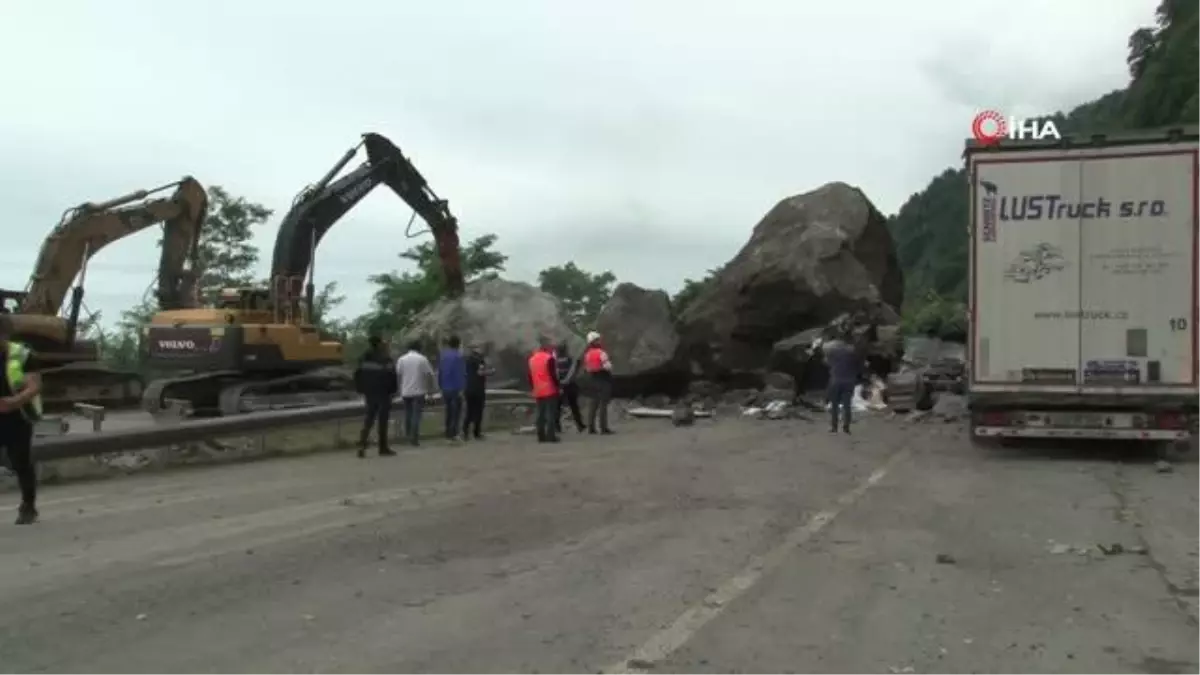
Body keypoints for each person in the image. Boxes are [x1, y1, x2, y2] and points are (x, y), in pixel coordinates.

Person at [0, 314, 43, 524]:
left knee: (20, 462)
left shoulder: (22, 355)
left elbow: (35, 385)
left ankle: (28, 505)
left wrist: (15, 401)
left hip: (18, 416)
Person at [353, 335, 397, 458]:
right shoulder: (385, 358)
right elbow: (392, 376)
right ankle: (383, 447)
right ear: (378, 344)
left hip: (370, 393)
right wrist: (393, 391)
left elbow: (357, 376)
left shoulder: (363, 358)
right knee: (382, 421)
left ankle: (362, 444)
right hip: (383, 393)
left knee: (369, 419)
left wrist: (362, 389)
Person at [395, 339, 436, 446]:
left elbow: (398, 376)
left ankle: (408, 435)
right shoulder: (422, 359)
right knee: (416, 415)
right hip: (419, 391)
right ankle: (414, 437)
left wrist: (399, 390)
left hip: (406, 391)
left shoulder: (401, 359)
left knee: (408, 414)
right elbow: (429, 375)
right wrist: (430, 392)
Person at [823, 328, 863, 434]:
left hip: (836, 380)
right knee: (847, 405)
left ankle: (834, 427)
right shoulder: (853, 351)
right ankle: (846, 427)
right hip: (849, 381)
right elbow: (858, 367)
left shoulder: (832, 351)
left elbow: (827, 363)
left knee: (835, 405)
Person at [527, 336, 560, 443]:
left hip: (538, 390)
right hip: (549, 389)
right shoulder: (549, 358)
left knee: (540, 414)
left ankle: (540, 436)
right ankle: (551, 436)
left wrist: (533, 388)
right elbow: (553, 375)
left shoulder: (531, 359)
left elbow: (530, 376)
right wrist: (558, 386)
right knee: (551, 413)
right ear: (546, 347)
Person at [582, 331, 614, 434]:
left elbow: (587, 368)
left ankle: (591, 427)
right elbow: (608, 367)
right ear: (595, 341)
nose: (600, 341)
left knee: (593, 404)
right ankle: (603, 428)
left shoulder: (587, 354)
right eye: (598, 339)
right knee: (603, 404)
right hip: (603, 378)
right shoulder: (601, 353)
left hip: (592, 379)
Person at [463, 342, 494, 440]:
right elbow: (480, 372)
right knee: (478, 411)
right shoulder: (479, 359)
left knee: (469, 411)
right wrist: (491, 372)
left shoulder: (467, 359)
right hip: (478, 388)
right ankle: (477, 433)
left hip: (468, 387)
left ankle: (465, 432)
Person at [438, 335, 467, 441]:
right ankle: (454, 433)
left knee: (449, 410)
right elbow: (460, 373)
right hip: (455, 387)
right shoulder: (459, 356)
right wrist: (462, 388)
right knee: (456, 411)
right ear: (458, 344)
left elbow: (440, 372)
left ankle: (448, 432)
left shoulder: (443, 356)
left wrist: (440, 385)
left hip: (445, 387)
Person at [554, 341, 585, 433]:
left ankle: (557, 426)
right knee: (574, 406)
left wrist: (559, 382)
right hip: (570, 385)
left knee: (557, 407)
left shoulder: (555, 360)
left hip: (559, 385)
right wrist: (566, 380)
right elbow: (573, 370)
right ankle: (580, 425)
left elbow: (554, 372)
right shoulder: (569, 359)